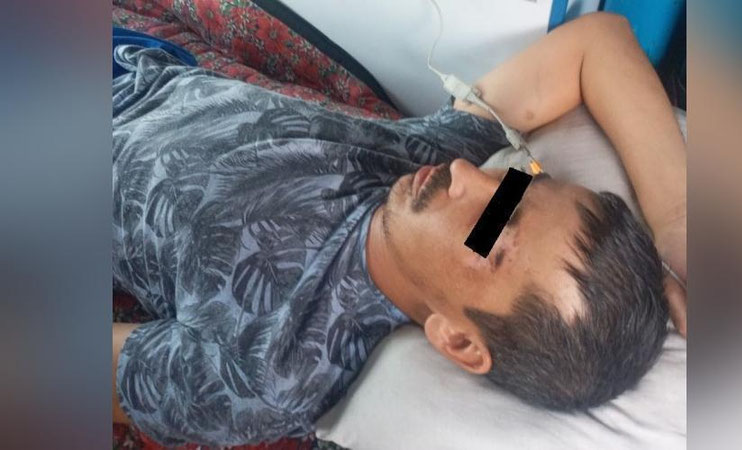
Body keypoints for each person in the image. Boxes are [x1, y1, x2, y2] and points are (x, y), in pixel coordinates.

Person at [112, 12, 686, 446]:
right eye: (517, 185)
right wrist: (677, 219)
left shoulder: (265, 373)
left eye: (490, 231)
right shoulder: (436, 161)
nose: (465, 176)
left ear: (457, 341)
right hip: (137, 61)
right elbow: (597, 42)